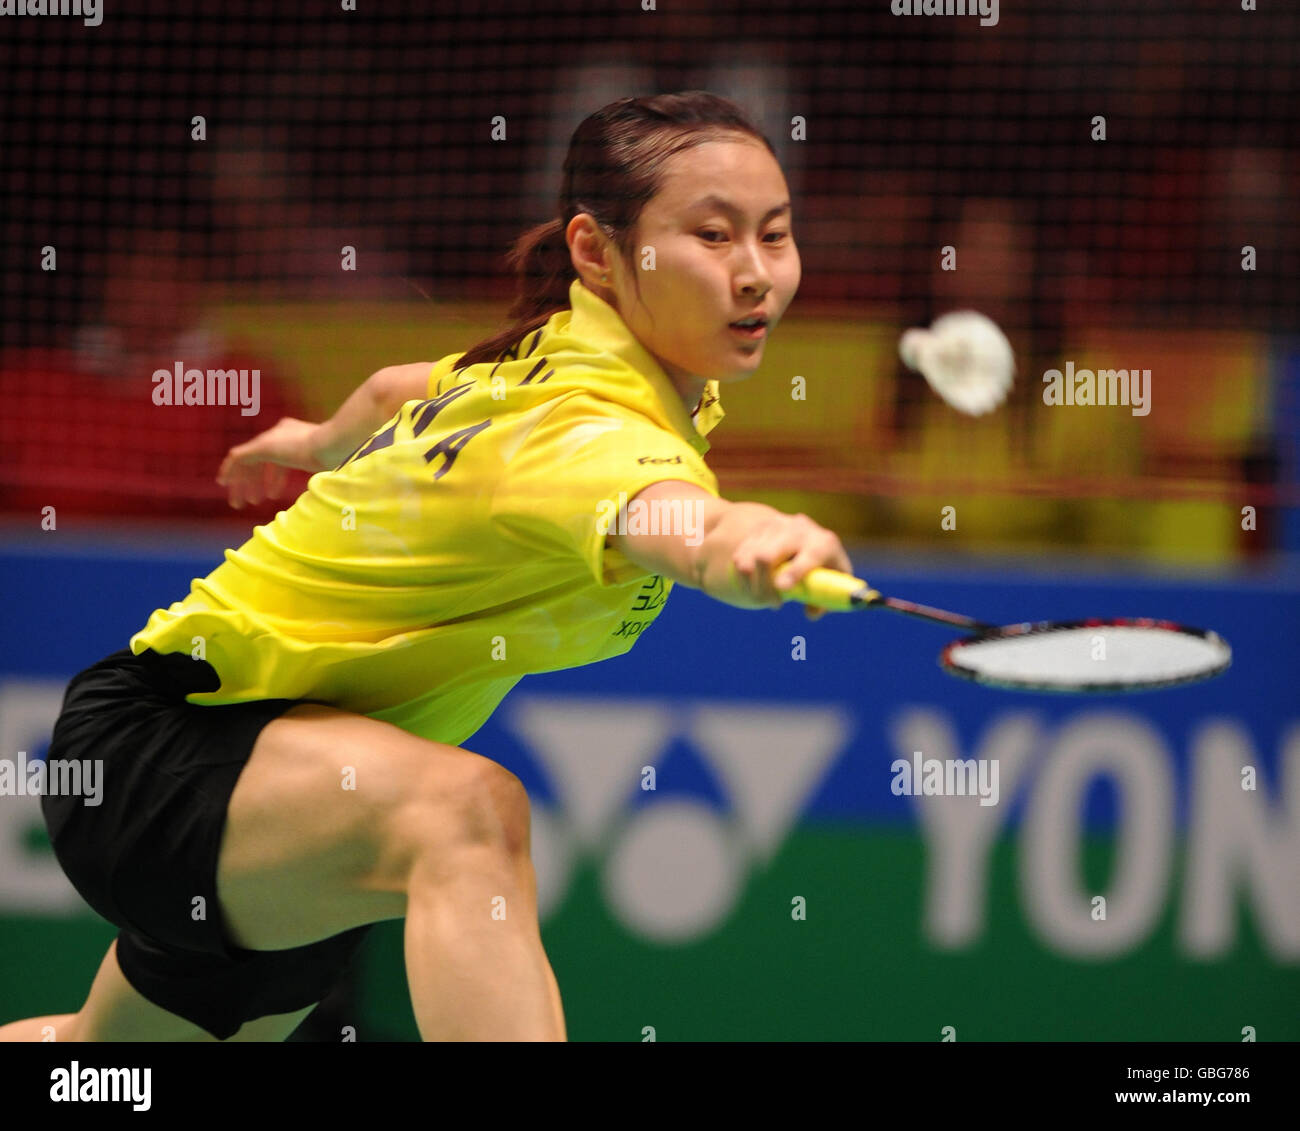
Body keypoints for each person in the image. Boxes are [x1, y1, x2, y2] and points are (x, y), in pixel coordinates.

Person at [0, 91, 853, 1043]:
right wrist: (753, 541)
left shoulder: (551, 360)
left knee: (95, 1063)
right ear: (596, 251)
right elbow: (684, 528)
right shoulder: (580, 426)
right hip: (173, 751)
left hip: (300, 794)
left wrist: (318, 439)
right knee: (467, 814)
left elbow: (398, 386)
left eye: (774, 237)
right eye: (712, 235)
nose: (754, 275)